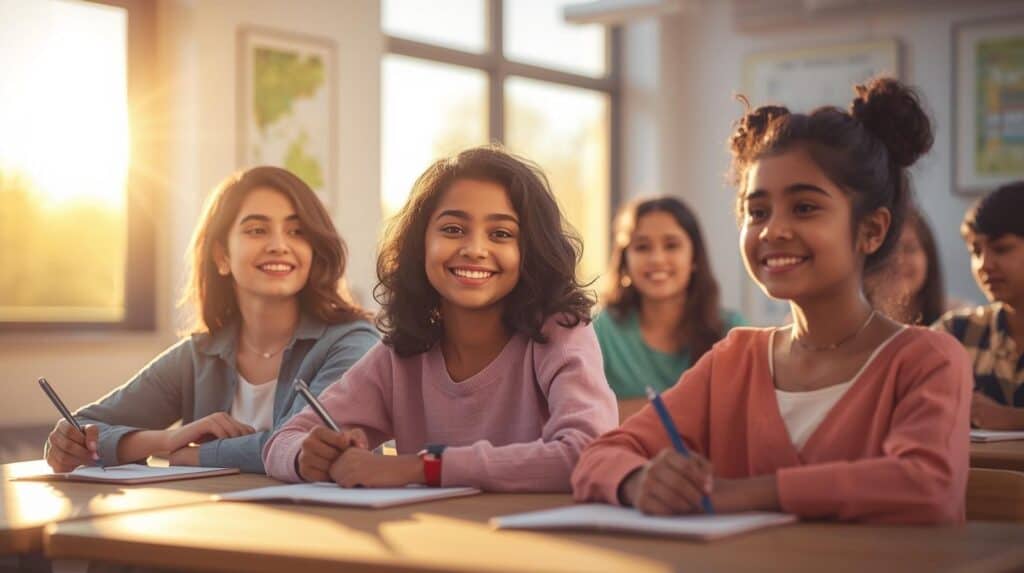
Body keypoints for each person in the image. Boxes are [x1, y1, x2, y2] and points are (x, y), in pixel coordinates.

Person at [572, 78, 972, 524]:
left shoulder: (928, 360)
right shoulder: (732, 360)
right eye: (757, 212)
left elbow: (924, 486)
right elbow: (602, 455)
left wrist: (741, 494)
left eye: (804, 208)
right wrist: (637, 481)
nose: (771, 230)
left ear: (871, 230)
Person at [263, 145, 618, 491]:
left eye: (501, 234)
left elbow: (589, 452)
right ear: (421, 245)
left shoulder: (560, 334)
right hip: (429, 545)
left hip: (537, 547)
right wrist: (304, 456)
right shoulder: (402, 355)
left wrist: (424, 467)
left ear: (530, 251)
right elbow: (282, 441)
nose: (474, 249)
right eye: (452, 229)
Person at [44, 166, 378, 473]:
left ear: (314, 251)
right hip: (213, 528)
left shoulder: (354, 344)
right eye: (257, 230)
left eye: (297, 231)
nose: (279, 245)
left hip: (325, 528)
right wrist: (168, 441)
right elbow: (79, 428)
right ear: (222, 256)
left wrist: (197, 455)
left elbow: (304, 444)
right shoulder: (199, 354)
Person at [595, 196, 743, 421]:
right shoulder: (599, 331)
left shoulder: (732, 332)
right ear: (625, 259)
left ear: (694, 257)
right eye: (642, 247)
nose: (656, 259)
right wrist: (694, 407)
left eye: (671, 245)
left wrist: (628, 409)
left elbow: (737, 416)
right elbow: (589, 416)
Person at [935, 182, 1024, 430]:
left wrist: (1011, 419)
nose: (984, 265)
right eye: (975, 251)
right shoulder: (956, 332)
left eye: (1001, 249)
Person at [865, 208, 949, 325]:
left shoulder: (958, 326)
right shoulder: (842, 330)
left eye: (909, 248)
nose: (898, 260)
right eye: (886, 250)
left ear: (928, 255)